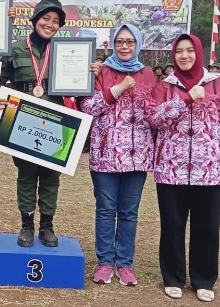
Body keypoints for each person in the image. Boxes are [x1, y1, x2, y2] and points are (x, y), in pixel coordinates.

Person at [147, 34, 220, 302]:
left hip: (209, 170)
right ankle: (173, 277)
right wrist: (184, 99)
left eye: (189, 51)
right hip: (171, 169)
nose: (184, 56)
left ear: (199, 52)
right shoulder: (165, 86)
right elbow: (154, 119)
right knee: (172, 226)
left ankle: (204, 279)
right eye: (179, 52)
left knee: (207, 226)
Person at [81, 24, 156, 286]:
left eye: (130, 42)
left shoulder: (149, 75)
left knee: (129, 213)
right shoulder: (101, 71)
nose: (125, 47)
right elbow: (88, 107)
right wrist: (117, 88)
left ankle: (124, 263)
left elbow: (156, 113)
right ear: (113, 43)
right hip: (105, 155)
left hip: (138, 157)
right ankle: (104, 262)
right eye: (120, 42)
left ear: (138, 44)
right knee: (105, 210)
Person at [0, 0, 67, 247]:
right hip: (23, 120)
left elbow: (79, 85)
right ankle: (26, 225)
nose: (50, 24)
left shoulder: (66, 52)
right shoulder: (16, 49)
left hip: (56, 119)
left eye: (56, 21)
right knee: (26, 174)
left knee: (51, 176)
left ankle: (46, 226)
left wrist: (90, 71)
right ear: (35, 19)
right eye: (46, 18)